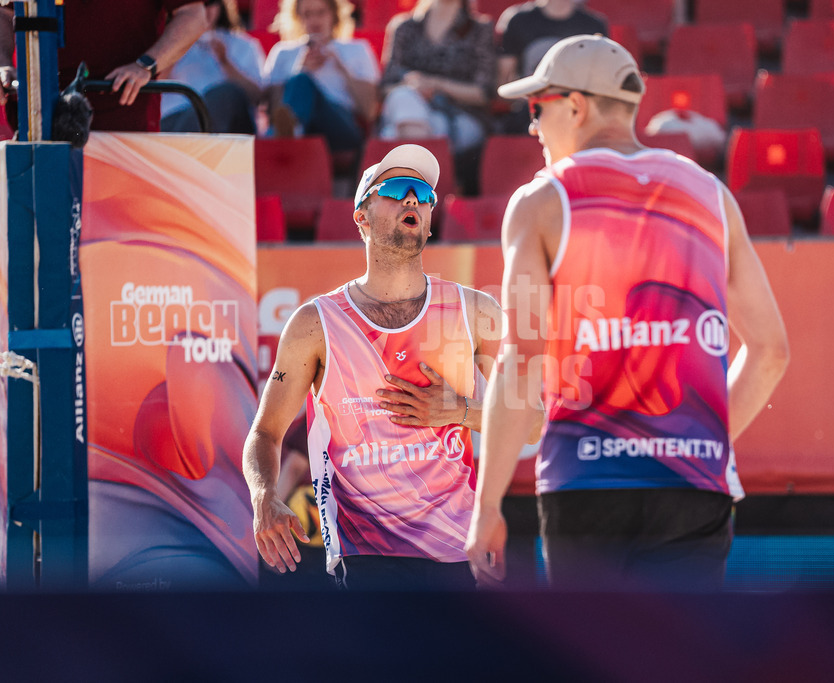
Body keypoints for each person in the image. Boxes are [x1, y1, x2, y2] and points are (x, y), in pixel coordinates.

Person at [465, 35, 790, 592]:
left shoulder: (542, 201)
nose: (532, 127)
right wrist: (698, 442)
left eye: (537, 108)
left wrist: (488, 504)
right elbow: (771, 352)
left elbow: (521, 359)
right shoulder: (711, 196)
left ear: (576, 106)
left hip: (585, 481)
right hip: (693, 482)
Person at [243, 144, 505, 591]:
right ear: (361, 217)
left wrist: (458, 411)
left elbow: (536, 421)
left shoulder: (476, 311)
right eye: (398, 189)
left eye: (424, 194)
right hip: (364, 556)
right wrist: (264, 495)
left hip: (457, 555)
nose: (413, 199)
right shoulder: (314, 323)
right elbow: (264, 433)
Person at [0, 1, 207, 132]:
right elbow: (5, 11)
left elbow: (193, 15)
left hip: (122, 123)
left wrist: (145, 65)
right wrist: (3, 63)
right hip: (31, 121)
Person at [377, 0, 495, 193]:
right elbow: (385, 88)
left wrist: (437, 85)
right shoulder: (404, 27)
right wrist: (415, 86)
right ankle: (426, 189)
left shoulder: (479, 29)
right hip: (412, 108)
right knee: (402, 97)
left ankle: (410, 188)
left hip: (461, 117)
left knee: (393, 135)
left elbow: (484, 93)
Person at [263, 0, 379, 153]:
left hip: (342, 125)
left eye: (321, 12)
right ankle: (293, 133)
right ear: (297, 16)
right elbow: (274, 111)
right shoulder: (282, 52)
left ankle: (284, 141)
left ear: (334, 14)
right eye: (307, 14)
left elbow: (369, 111)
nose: (314, 20)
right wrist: (300, 69)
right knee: (301, 80)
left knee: (302, 82)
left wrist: (341, 67)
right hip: (302, 124)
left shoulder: (357, 49)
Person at [495, 0, 607, 134]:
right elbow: (505, 79)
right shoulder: (518, 20)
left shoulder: (593, 24)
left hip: (576, 108)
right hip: (529, 107)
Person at [161, 0, 266, 135]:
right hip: (173, 120)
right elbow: (153, 85)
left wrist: (225, 62)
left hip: (228, 127)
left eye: (210, 2)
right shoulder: (166, 42)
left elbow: (258, 97)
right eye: (195, 3)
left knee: (226, 94)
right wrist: (176, 48)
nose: (204, 9)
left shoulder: (244, 45)